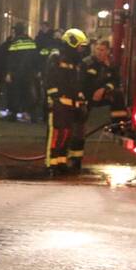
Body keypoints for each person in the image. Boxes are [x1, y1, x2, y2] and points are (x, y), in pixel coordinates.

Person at [45, 28, 89, 175]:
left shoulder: (75, 61)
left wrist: (80, 98)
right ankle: (51, 163)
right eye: (80, 46)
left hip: (70, 104)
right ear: (72, 42)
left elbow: (76, 82)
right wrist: (55, 98)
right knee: (57, 134)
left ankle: (61, 161)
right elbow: (49, 80)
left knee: (67, 133)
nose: (81, 49)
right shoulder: (56, 57)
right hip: (58, 103)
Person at [82, 39, 129, 123]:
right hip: (90, 101)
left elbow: (116, 81)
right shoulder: (87, 63)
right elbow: (82, 82)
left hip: (105, 101)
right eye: (97, 49)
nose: (99, 52)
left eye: (102, 50)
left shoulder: (111, 66)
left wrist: (104, 88)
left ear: (108, 51)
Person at [4, 23, 39, 122]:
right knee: (28, 94)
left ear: (17, 31)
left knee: (15, 93)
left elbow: (11, 59)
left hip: (17, 73)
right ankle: (30, 114)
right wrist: (36, 71)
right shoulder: (31, 41)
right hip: (29, 73)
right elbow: (36, 58)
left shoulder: (15, 42)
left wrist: (9, 73)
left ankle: (13, 114)